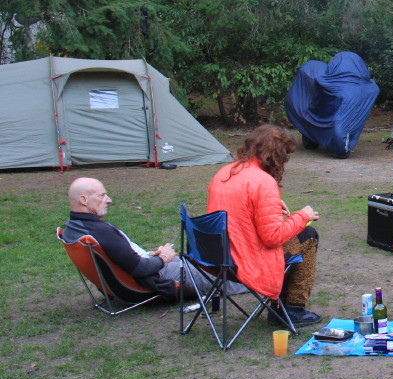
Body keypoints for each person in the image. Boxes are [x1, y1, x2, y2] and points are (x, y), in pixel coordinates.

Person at [206, 124, 323, 326]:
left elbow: (236, 206)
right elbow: (272, 238)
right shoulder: (263, 181)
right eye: (284, 156)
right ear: (276, 155)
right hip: (244, 259)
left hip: (215, 255)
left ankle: (282, 308)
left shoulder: (226, 172)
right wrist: (303, 216)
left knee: (299, 234)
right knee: (308, 235)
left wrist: (269, 204)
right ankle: (291, 309)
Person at [62, 177, 239, 298]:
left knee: (203, 262)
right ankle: (252, 283)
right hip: (151, 279)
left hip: (132, 278)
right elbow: (140, 269)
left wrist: (153, 257)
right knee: (218, 274)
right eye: (102, 195)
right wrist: (164, 258)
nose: (109, 200)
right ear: (84, 200)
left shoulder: (73, 228)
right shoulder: (100, 232)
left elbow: (127, 260)